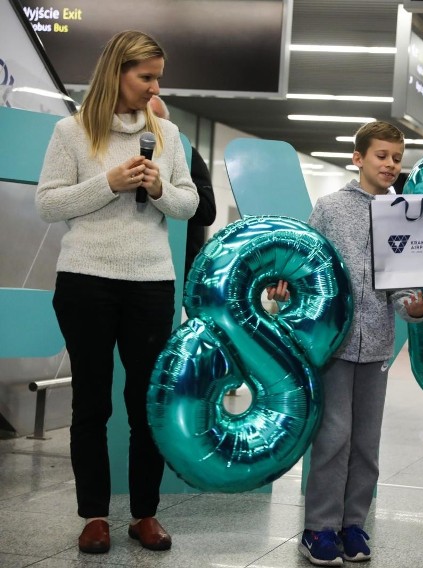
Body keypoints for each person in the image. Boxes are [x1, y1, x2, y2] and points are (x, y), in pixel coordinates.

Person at [34, 31, 199, 554]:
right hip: (85, 281)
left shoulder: (167, 136)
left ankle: (144, 515)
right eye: (145, 77)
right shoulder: (70, 132)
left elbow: (189, 204)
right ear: (116, 73)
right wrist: (108, 181)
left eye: (158, 78)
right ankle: (94, 517)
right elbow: (48, 204)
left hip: (151, 283)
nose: (154, 88)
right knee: (92, 403)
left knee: (145, 404)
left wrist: (157, 188)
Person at [267, 121, 423, 566]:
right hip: (334, 346)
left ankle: (353, 525)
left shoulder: (404, 212)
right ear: (358, 158)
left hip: (378, 346)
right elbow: (303, 261)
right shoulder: (329, 208)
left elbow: (402, 290)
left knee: (366, 442)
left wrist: (413, 310)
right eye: (381, 156)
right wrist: (285, 285)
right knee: (334, 437)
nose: (390, 165)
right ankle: (319, 529)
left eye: (397, 159)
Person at [148, 95, 217, 277]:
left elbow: (207, 212)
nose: (150, 122)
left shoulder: (188, 156)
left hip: (181, 266)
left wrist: (163, 190)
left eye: (156, 115)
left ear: (169, 123)